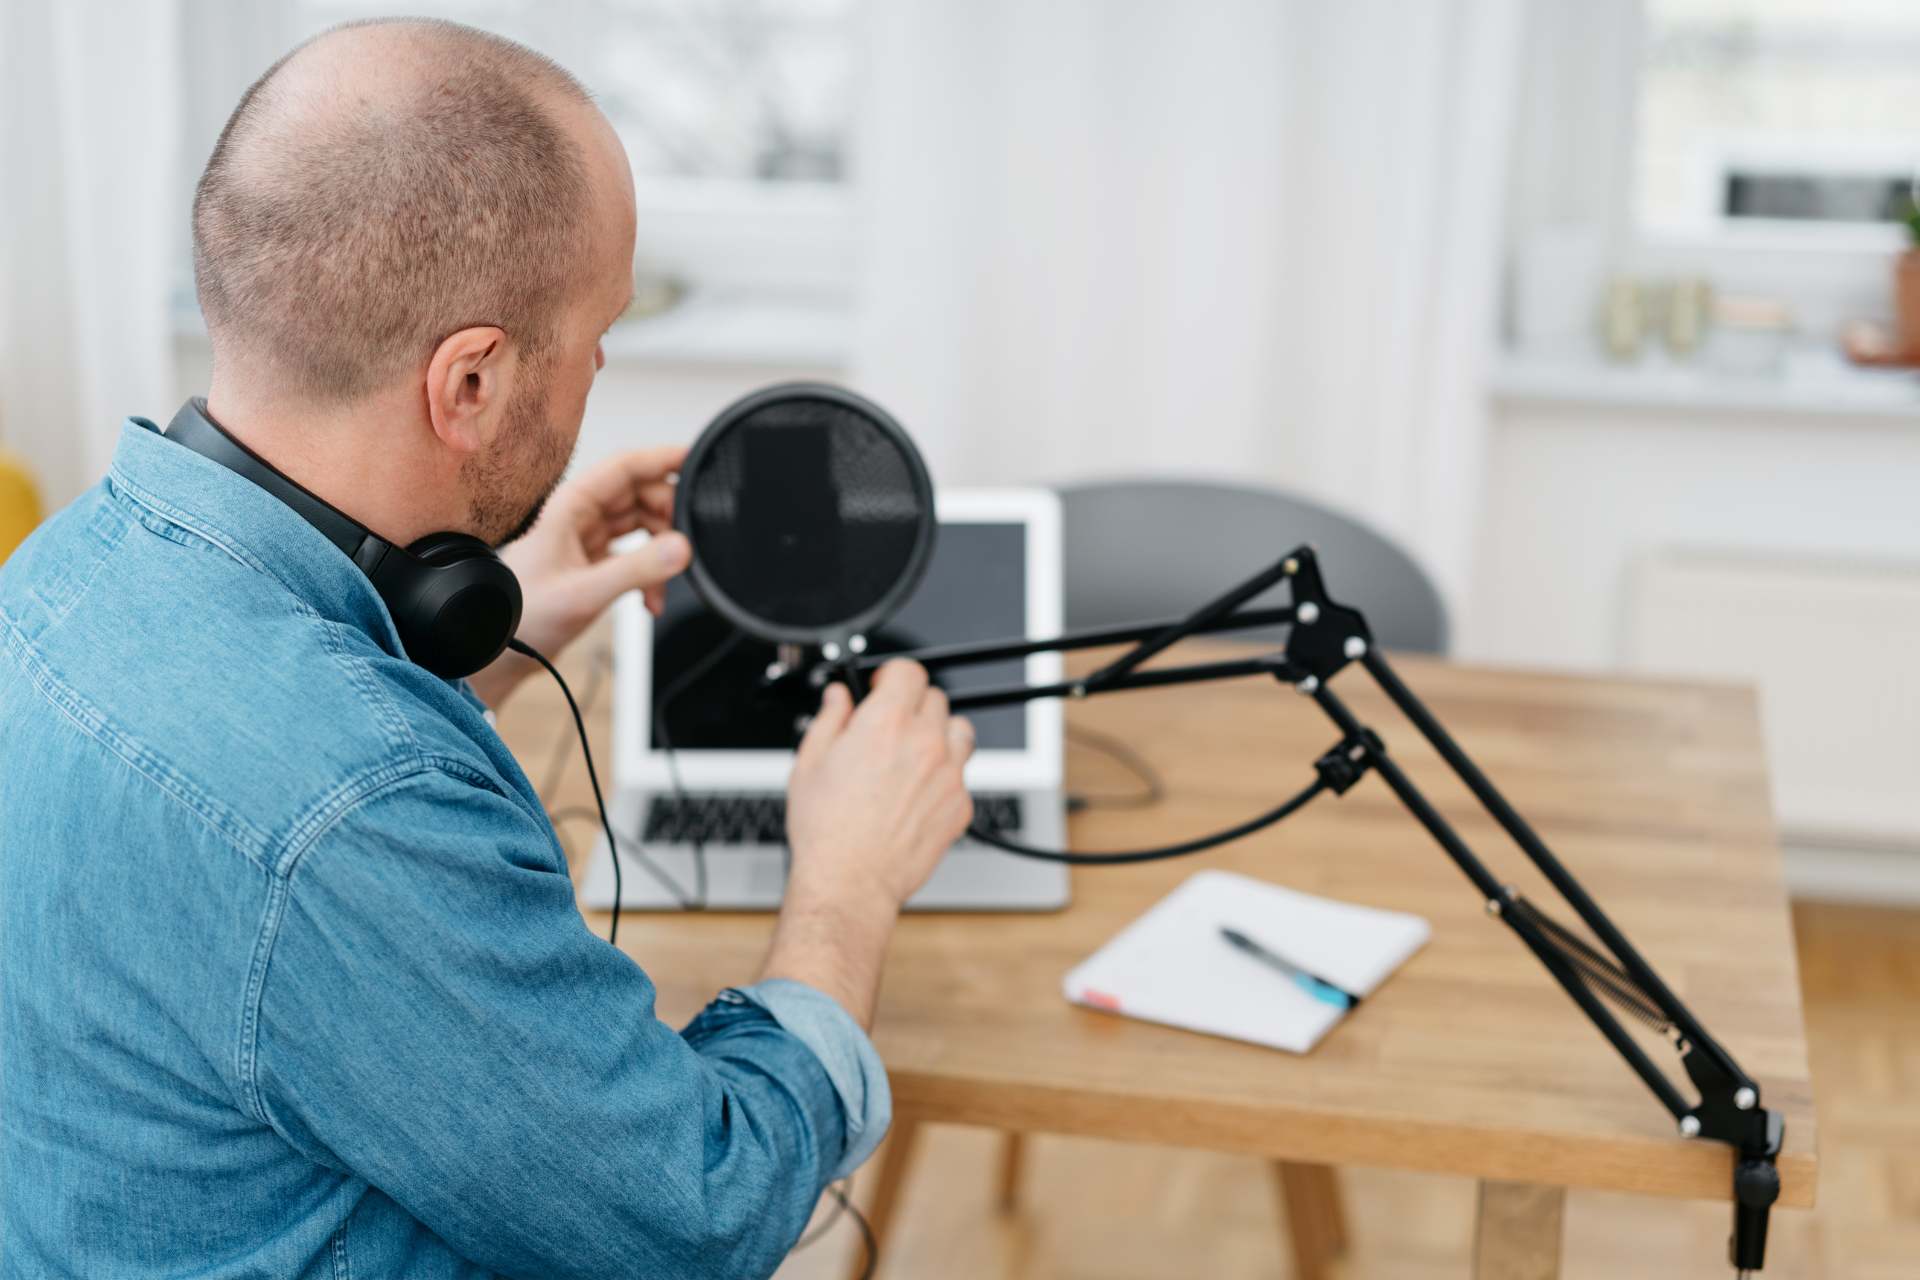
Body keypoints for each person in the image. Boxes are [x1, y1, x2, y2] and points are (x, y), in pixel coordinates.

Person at [0, 18, 974, 1280]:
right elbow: (699, 1205)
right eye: (597, 335)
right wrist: (846, 882)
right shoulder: (363, 806)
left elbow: (241, 848)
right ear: (469, 385)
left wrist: (496, 643)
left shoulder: (58, 576)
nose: (599, 375)